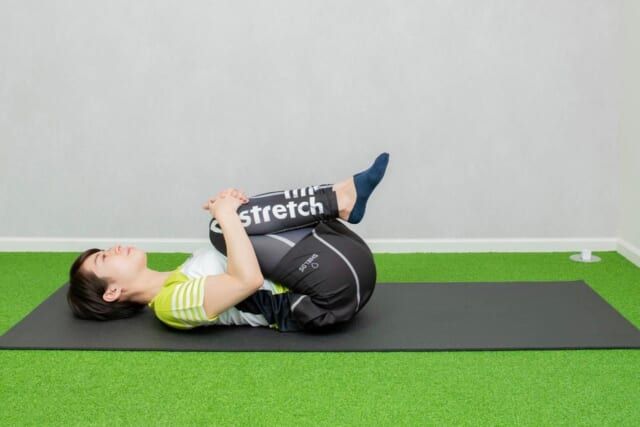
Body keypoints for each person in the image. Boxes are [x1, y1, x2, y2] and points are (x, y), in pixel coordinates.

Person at [67, 152, 390, 332]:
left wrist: (234, 210)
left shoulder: (186, 269)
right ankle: (340, 199)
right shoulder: (168, 305)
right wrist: (226, 216)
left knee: (227, 223)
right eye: (103, 258)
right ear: (112, 292)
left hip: (341, 258)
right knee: (220, 228)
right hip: (325, 297)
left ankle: (340, 198)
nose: (113, 249)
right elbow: (247, 281)